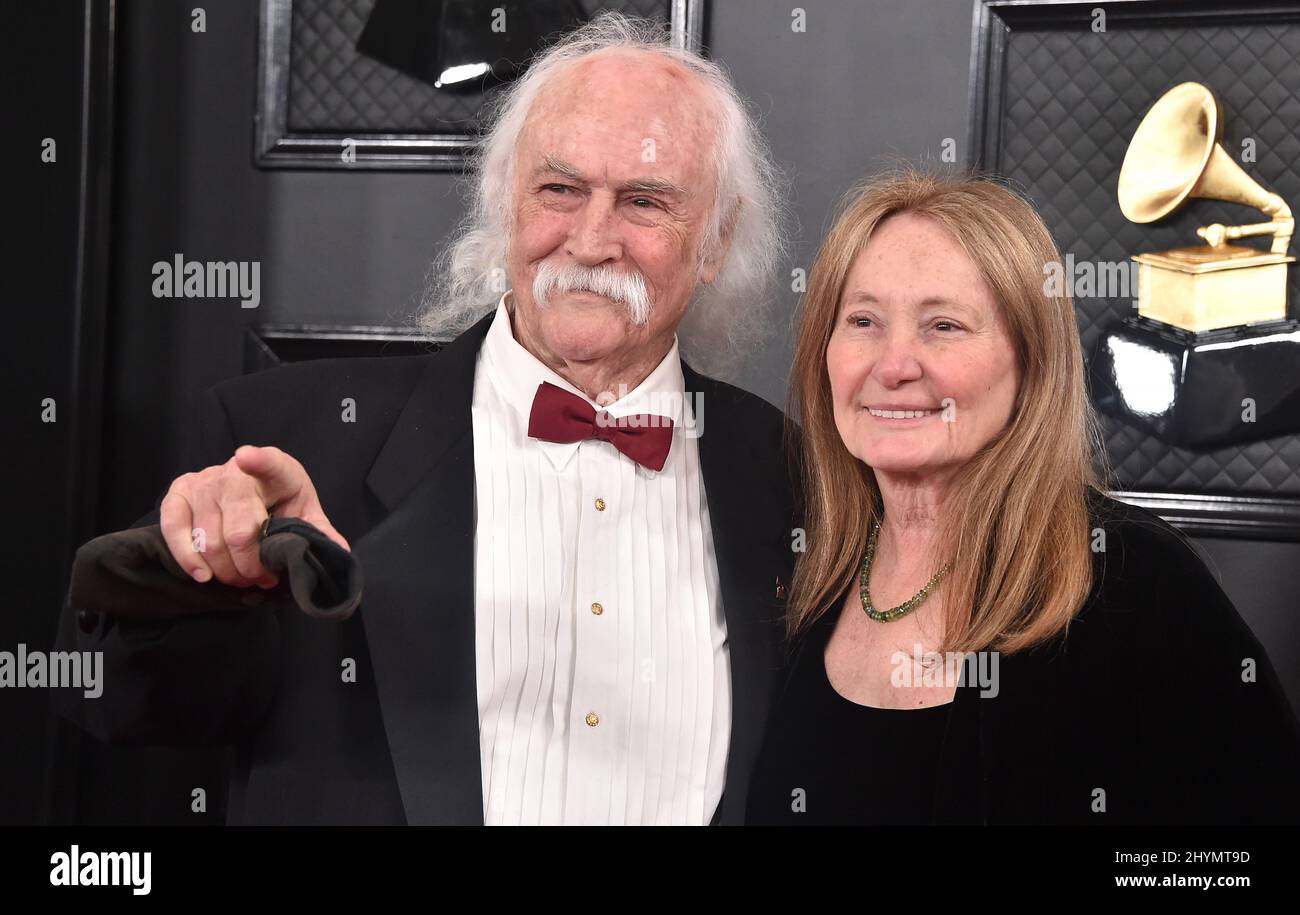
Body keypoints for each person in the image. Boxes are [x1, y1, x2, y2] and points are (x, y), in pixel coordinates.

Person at [55, 13, 795, 826]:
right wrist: (191, 566)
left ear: (717, 239)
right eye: (560, 189)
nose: (591, 239)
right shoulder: (287, 438)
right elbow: (114, 701)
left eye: (644, 201)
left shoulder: (788, 476)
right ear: (506, 201)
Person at [746, 167, 1300, 825]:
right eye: (863, 320)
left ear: (1032, 363)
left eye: (944, 325)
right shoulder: (805, 572)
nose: (893, 364)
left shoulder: (1139, 581)